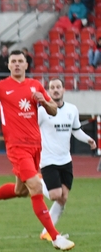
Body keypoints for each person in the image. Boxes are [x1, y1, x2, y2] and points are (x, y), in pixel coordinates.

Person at [0, 50, 74, 251]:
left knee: (21, 190)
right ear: (9, 65)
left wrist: (44, 101)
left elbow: (54, 110)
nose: (17, 64)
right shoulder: (0, 87)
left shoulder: (35, 85)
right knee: (36, 187)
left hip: (36, 146)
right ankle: (55, 237)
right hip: (16, 146)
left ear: (26, 65)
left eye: (21, 61)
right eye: (14, 61)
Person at [36, 78, 96, 240]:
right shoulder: (42, 111)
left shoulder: (72, 109)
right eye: (52, 87)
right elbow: (32, 130)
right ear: (48, 91)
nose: (55, 90)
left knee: (63, 199)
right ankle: (36, 182)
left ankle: (46, 232)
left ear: (63, 90)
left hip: (66, 161)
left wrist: (88, 139)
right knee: (55, 195)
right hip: (48, 160)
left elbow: (76, 130)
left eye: (58, 87)